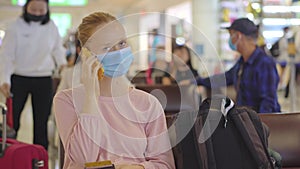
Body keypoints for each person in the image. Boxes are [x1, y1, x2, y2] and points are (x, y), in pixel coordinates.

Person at [53, 11, 175, 169]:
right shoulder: (66, 100)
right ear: (86, 55)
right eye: (107, 48)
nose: (118, 52)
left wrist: (139, 168)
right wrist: (91, 95)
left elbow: (165, 164)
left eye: (122, 43)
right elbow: (82, 160)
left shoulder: (148, 104)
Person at [0, 0, 66, 149]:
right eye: (33, 9)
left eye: (41, 10)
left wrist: (63, 64)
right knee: (13, 121)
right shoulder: (15, 26)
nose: (37, 13)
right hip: (18, 78)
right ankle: (9, 153)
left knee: (41, 122)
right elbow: (6, 56)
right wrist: (4, 80)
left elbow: (57, 49)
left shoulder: (51, 27)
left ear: (47, 9)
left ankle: (40, 157)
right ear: (26, 8)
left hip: (43, 78)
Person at [184, 18, 281, 113]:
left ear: (238, 36)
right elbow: (223, 78)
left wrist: (260, 125)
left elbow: (268, 102)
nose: (230, 40)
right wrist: (196, 81)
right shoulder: (242, 62)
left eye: (231, 35)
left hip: (259, 122)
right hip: (246, 119)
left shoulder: (264, 63)